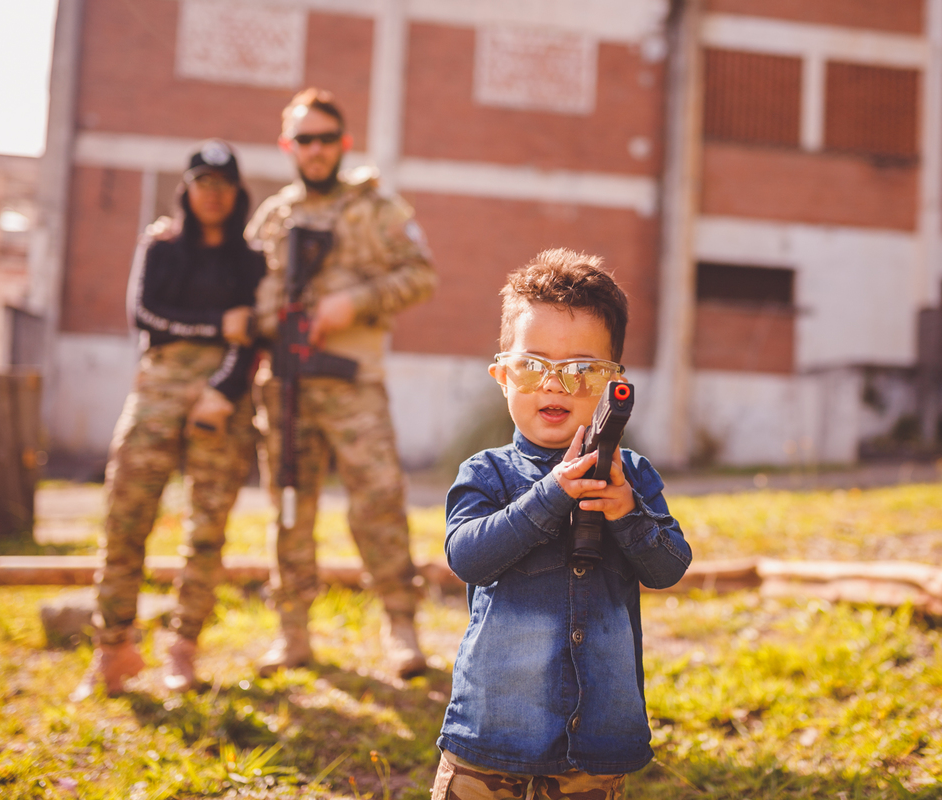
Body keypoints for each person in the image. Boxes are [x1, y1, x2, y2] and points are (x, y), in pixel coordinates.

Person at [431, 249, 692, 798]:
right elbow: (467, 557)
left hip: (593, 746)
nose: (554, 385)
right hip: (491, 733)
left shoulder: (631, 475)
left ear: (611, 382)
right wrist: (549, 497)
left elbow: (669, 567)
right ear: (503, 376)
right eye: (533, 365)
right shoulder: (487, 472)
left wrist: (626, 512)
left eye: (581, 370)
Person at [247, 88, 438, 679]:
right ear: (288, 146)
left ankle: (401, 626)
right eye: (305, 139)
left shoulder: (376, 210)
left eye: (327, 138)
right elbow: (244, 297)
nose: (317, 149)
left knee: (379, 501)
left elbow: (421, 275)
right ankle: (293, 633)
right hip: (286, 389)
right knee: (288, 510)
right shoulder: (273, 219)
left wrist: (353, 303)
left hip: (353, 384)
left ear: (344, 143)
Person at [74, 139, 266, 699]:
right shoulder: (159, 245)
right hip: (155, 394)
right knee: (125, 519)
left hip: (220, 402)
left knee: (206, 532)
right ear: (187, 189)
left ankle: (183, 649)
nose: (213, 194)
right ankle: (112, 648)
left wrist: (223, 393)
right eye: (203, 182)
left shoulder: (251, 260)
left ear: (237, 194)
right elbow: (144, 314)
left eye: (223, 185)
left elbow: (249, 336)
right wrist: (215, 324)